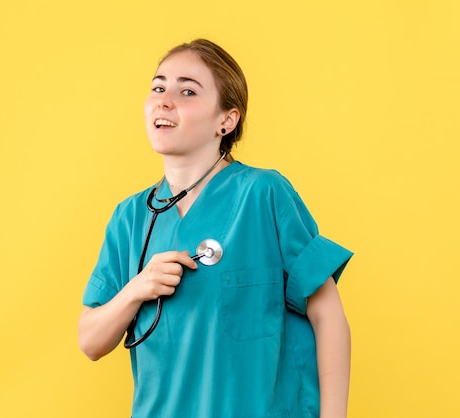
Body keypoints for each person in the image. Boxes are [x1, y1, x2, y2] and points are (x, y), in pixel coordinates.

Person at [78, 38, 353, 418]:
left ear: (227, 120)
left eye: (187, 90)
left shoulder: (263, 195)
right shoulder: (129, 218)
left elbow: (328, 314)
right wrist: (137, 289)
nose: (164, 99)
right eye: (158, 87)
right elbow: (90, 341)